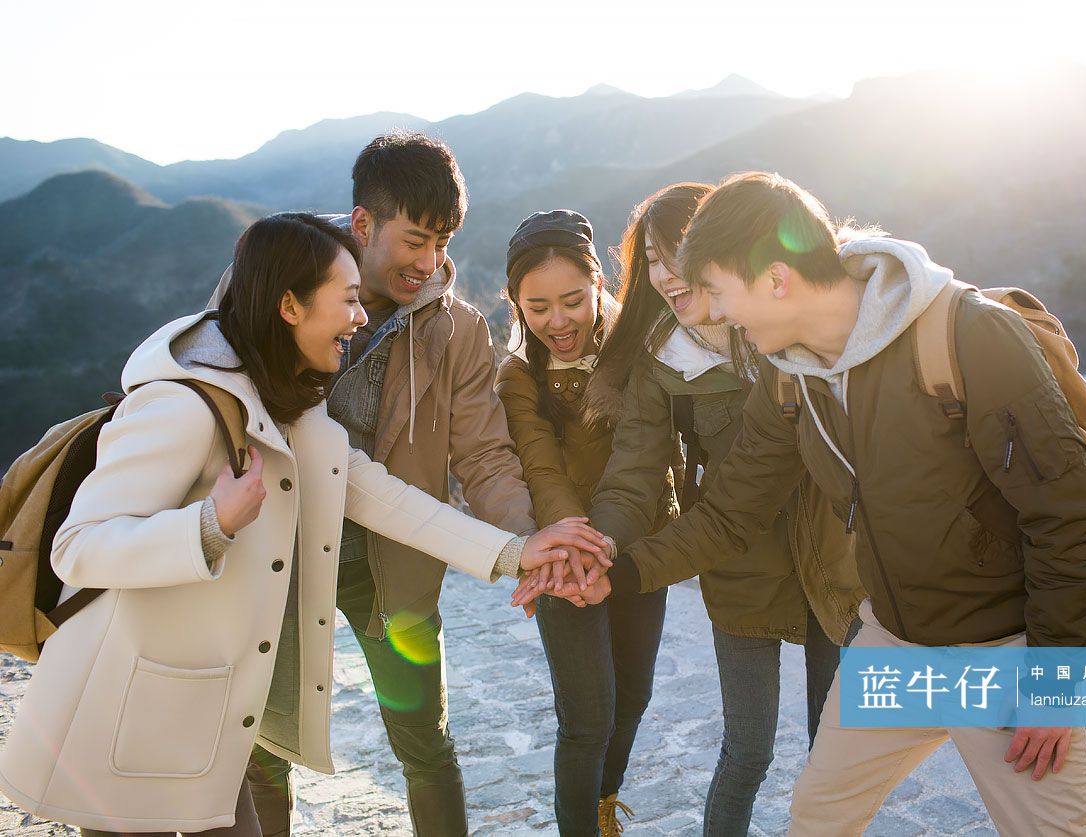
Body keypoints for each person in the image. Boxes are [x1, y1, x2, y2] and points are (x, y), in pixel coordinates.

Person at [0, 213, 608, 836]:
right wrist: (210, 524)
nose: (359, 317)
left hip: (204, 725)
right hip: (127, 722)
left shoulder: (291, 404)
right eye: (345, 300)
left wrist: (517, 551)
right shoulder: (185, 404)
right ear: (290, 306)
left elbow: (382, 496)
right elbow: (77, 547)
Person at [575, 172, 1086, 835]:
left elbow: (1068, 515)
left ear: (776, 278)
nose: (713, 312)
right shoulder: (787, 376)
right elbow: (729, 511)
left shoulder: (972, 337)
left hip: (1002, 648)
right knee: (818, 815)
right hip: (892, 642)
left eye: (717, 290)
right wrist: (617, 573)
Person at [208, 132, 541, 836]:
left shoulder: (458, 331)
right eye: (414, 240)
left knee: (425, 743)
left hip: (389, 573)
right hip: (276, 560)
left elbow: (484, 456)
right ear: (363, 223)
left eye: (443, 241)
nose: (430, 262)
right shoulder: (275, 280)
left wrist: (534, 539)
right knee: (261, 753)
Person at [514, 185, 863, 836]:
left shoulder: (788, 325)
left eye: (678, 253)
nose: (665, 273)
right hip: (734, 558)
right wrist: (598, 549)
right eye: (650, 257)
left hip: (832, 561)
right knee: (748, 748)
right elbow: (633, 474)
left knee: (834, 751)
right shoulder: (657, 354)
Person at [494, 209, 679, 836]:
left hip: (636, 547)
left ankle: (604, 805)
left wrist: (600, 549)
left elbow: (640, 459)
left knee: (633, 697)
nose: (557, 322)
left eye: (573, 301)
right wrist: (573, 547)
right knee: (587, 717)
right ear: (516, 304)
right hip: (563, 558)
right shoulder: (519, 376)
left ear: (599, 283)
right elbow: (542, 470)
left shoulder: (643, 350)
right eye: (537, 307)